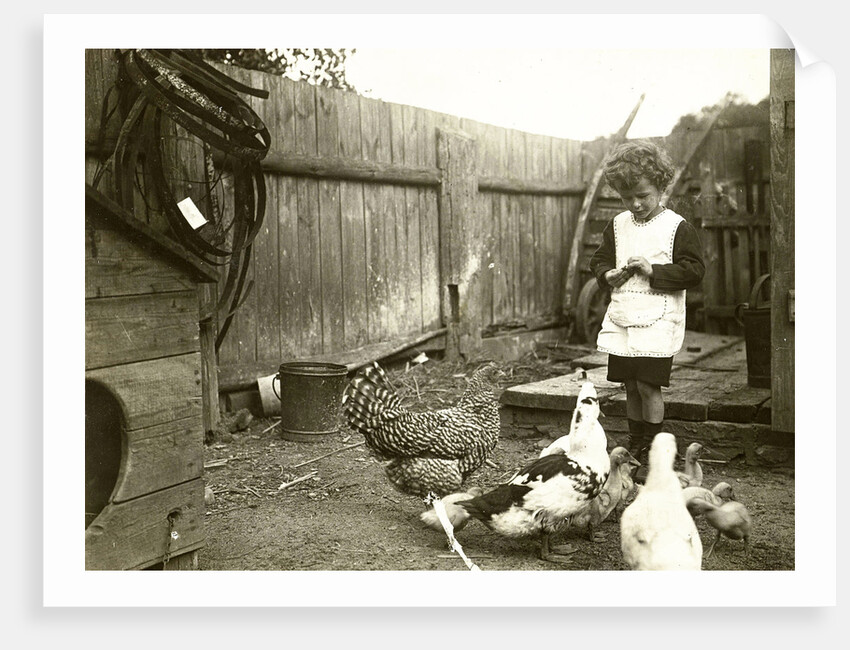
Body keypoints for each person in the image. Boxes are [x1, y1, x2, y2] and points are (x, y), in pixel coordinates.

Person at [589, 140, 705, 473]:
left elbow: (695, 271)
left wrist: (655, 271)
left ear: (660, 187)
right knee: (629, 385)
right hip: (625, 316)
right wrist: (606, 273)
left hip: (658, 319)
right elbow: (599, 259)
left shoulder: (676, 228)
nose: (636, 205)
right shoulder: (617, 226)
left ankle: (655, 448)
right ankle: (636, 442)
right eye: (628, 198)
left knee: (647, 385)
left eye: (644, 196)